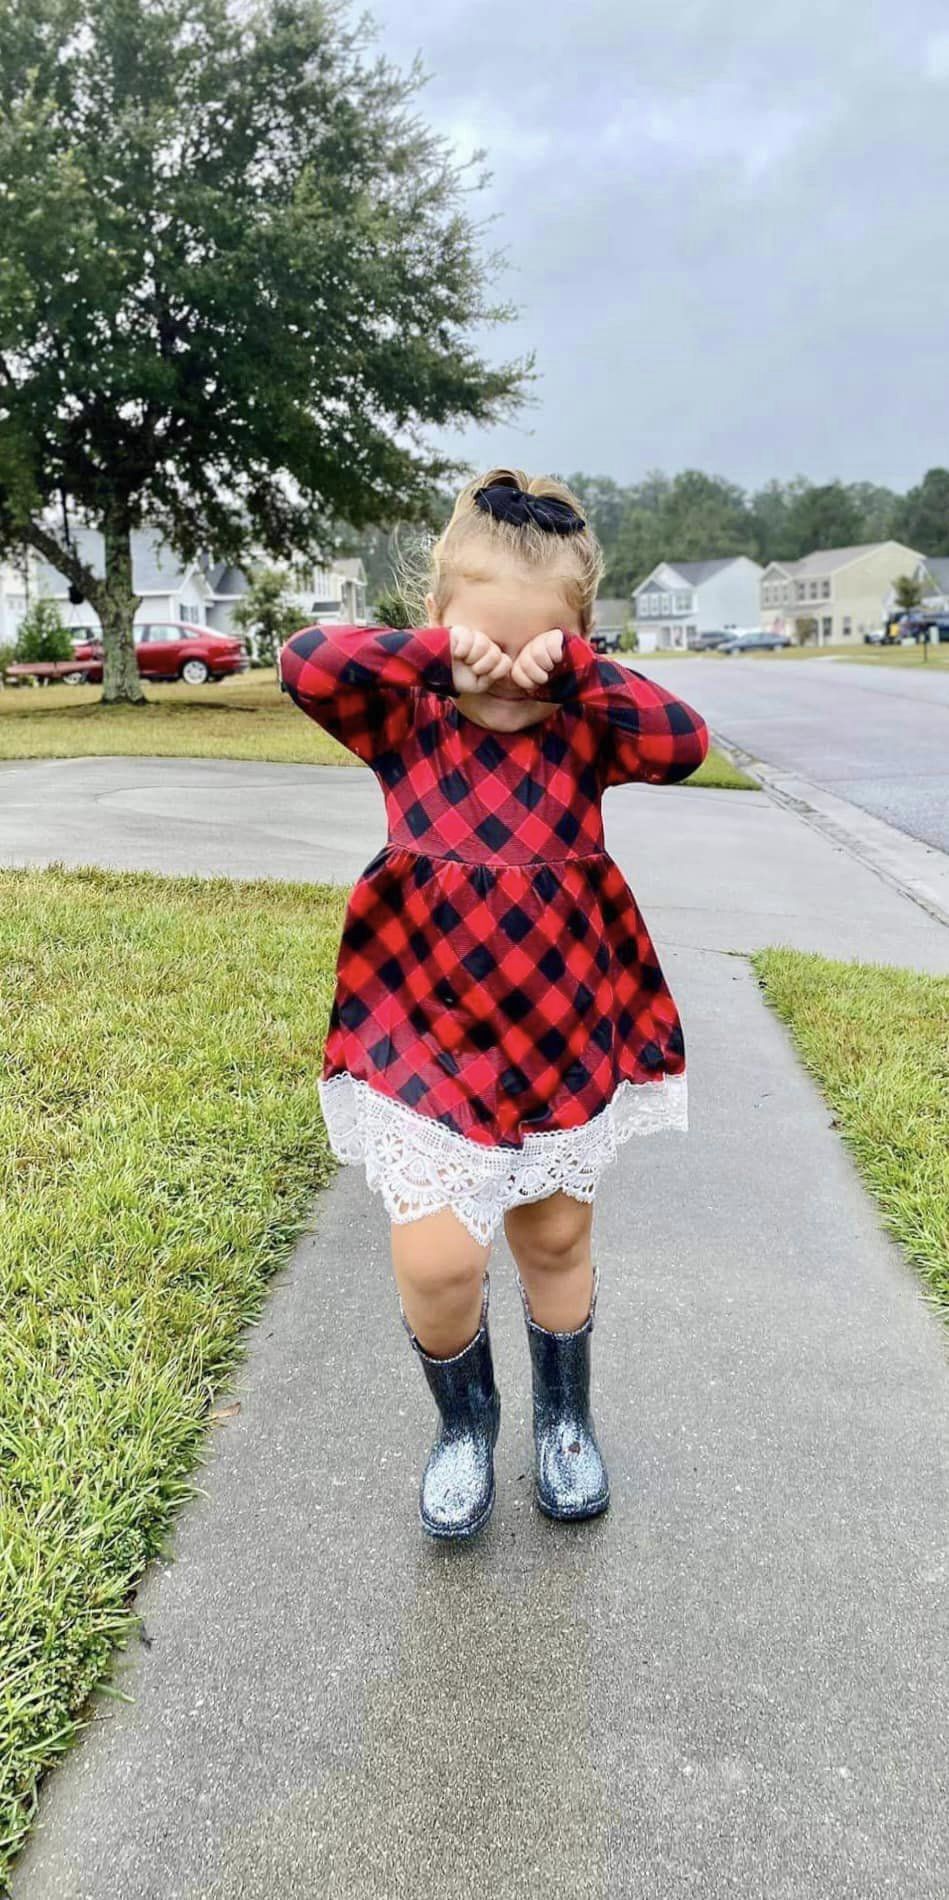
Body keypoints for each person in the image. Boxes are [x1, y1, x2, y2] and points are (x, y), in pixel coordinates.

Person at [279, 469, 709, 1541]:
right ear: (435, 620)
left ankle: (565, 1418)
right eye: (483, 643)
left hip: (561, 1032)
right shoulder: (405, 716)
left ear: (577, 639)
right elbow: (304, 662)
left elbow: (685, 741)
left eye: (538, 649)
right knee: (438, 1257)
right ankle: (464, 1425)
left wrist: (578, 674)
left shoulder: (585, 728)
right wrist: (439, 660)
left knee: (555, 1238)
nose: (504, 676)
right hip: (422, 1030)